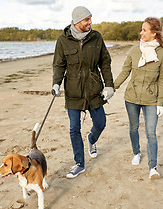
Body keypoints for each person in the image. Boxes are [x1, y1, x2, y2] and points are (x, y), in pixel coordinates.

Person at [52, 6, 114, 179]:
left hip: (94, 89)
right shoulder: (63, 41)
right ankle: (79, 163)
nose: (90, 22)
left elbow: (105, 62)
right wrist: (56, 84)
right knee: (74, 128)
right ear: (77, 21)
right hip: (73, 92)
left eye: (90, 18)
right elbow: (59, 65)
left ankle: (92, 140)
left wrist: (109, 85)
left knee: (101, 123)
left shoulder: (96, 37)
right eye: (87, 20)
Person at [114, 17, 163, 180]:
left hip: (151, 100)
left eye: (144, 30)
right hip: (131, 97)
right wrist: (112, 88)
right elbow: (125, 72)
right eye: (141, 29)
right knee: (133, 127)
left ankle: (153, 167)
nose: (141, 33)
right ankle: (136, 152)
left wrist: (160, 102)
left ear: (154, 33)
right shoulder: (133, 51)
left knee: (151, 133)